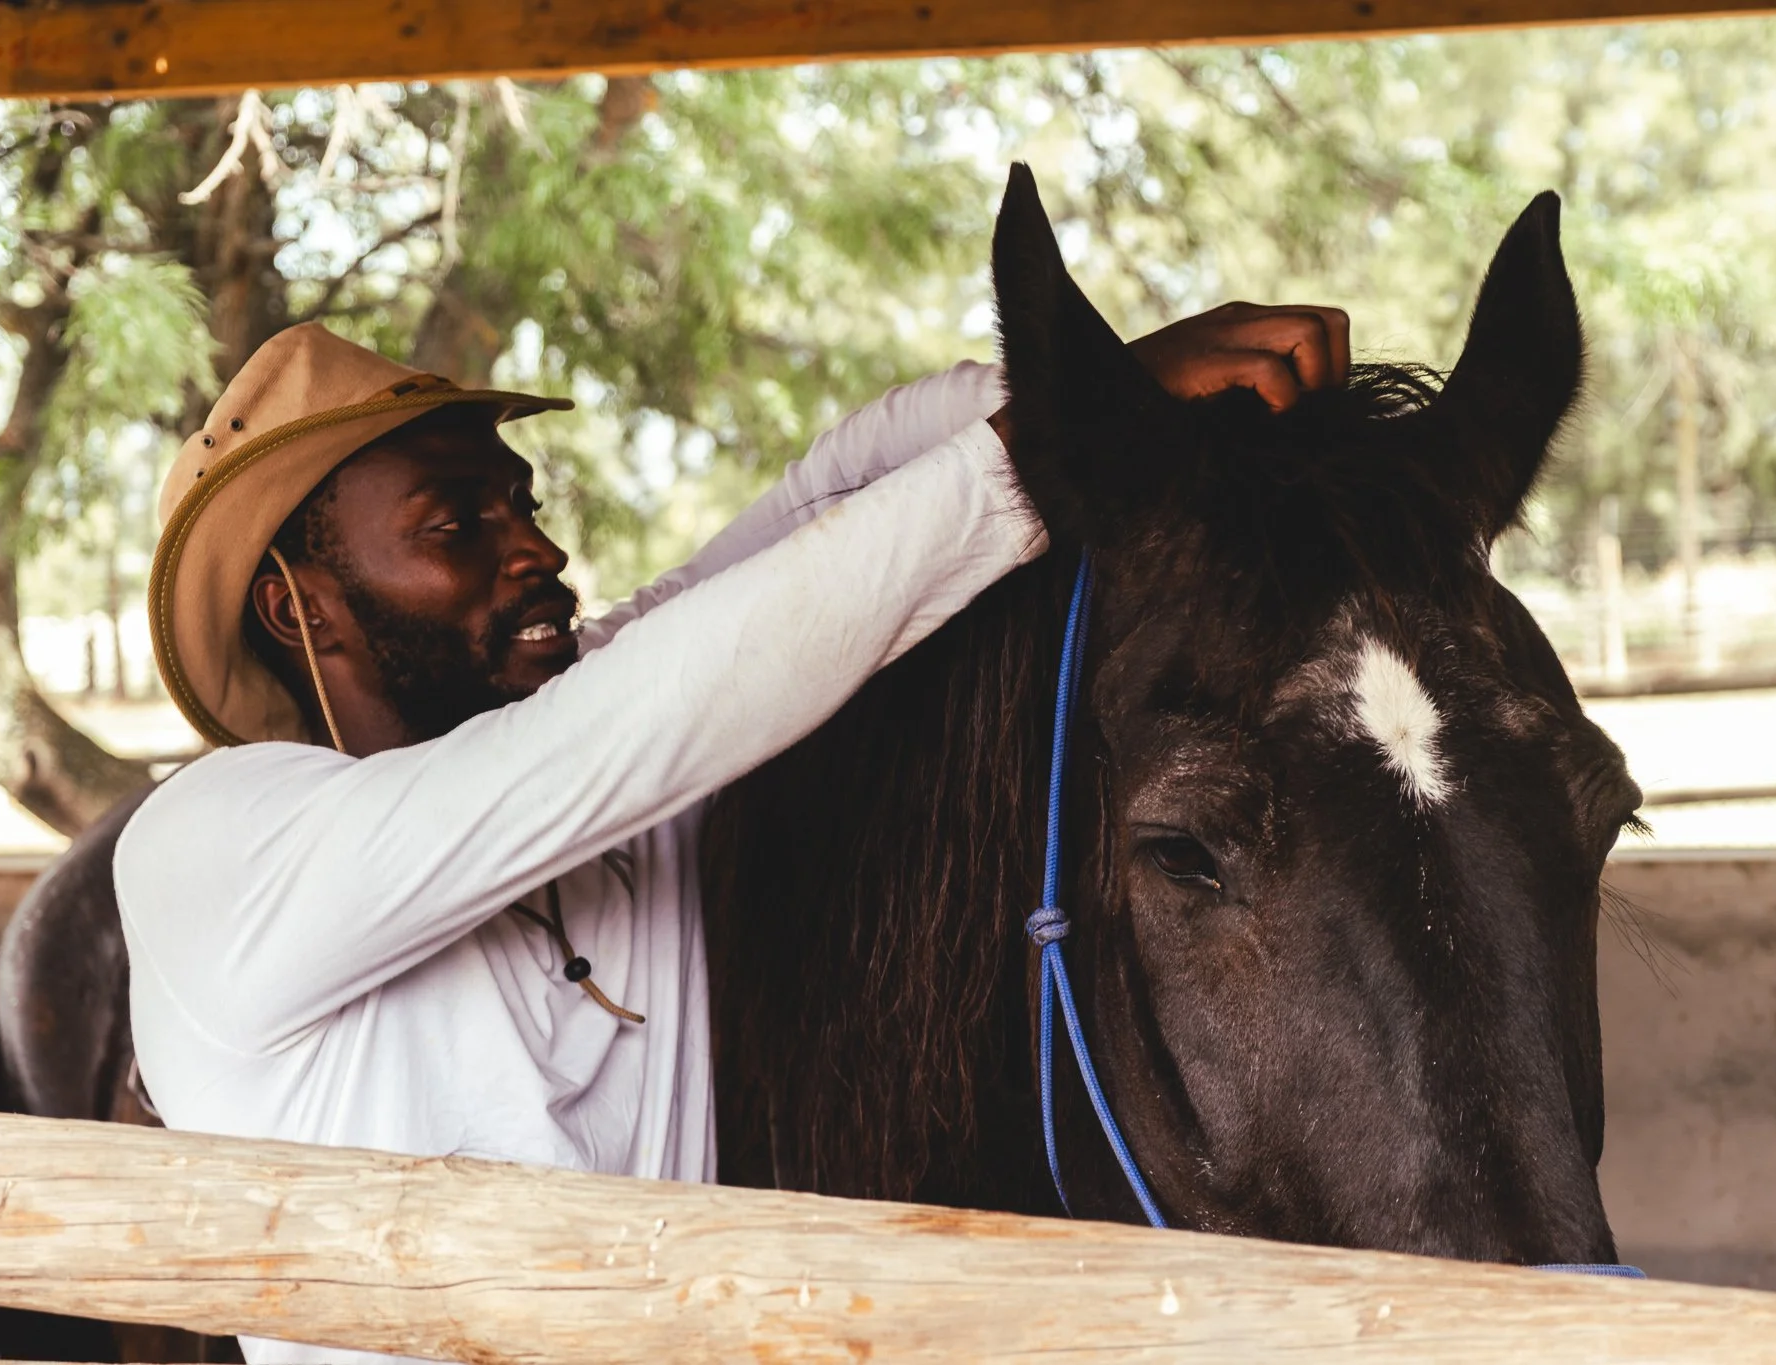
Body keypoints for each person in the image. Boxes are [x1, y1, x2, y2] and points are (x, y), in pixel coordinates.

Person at [117, 304, 1348, 1364]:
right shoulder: (212, 846)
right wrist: (1062, 433)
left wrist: (1104, 384)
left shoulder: (607, 747)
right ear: (296, 606)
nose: (537, 549)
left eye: (522, 505)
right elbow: (651, 710)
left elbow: (828, 498)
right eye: (453, 526)